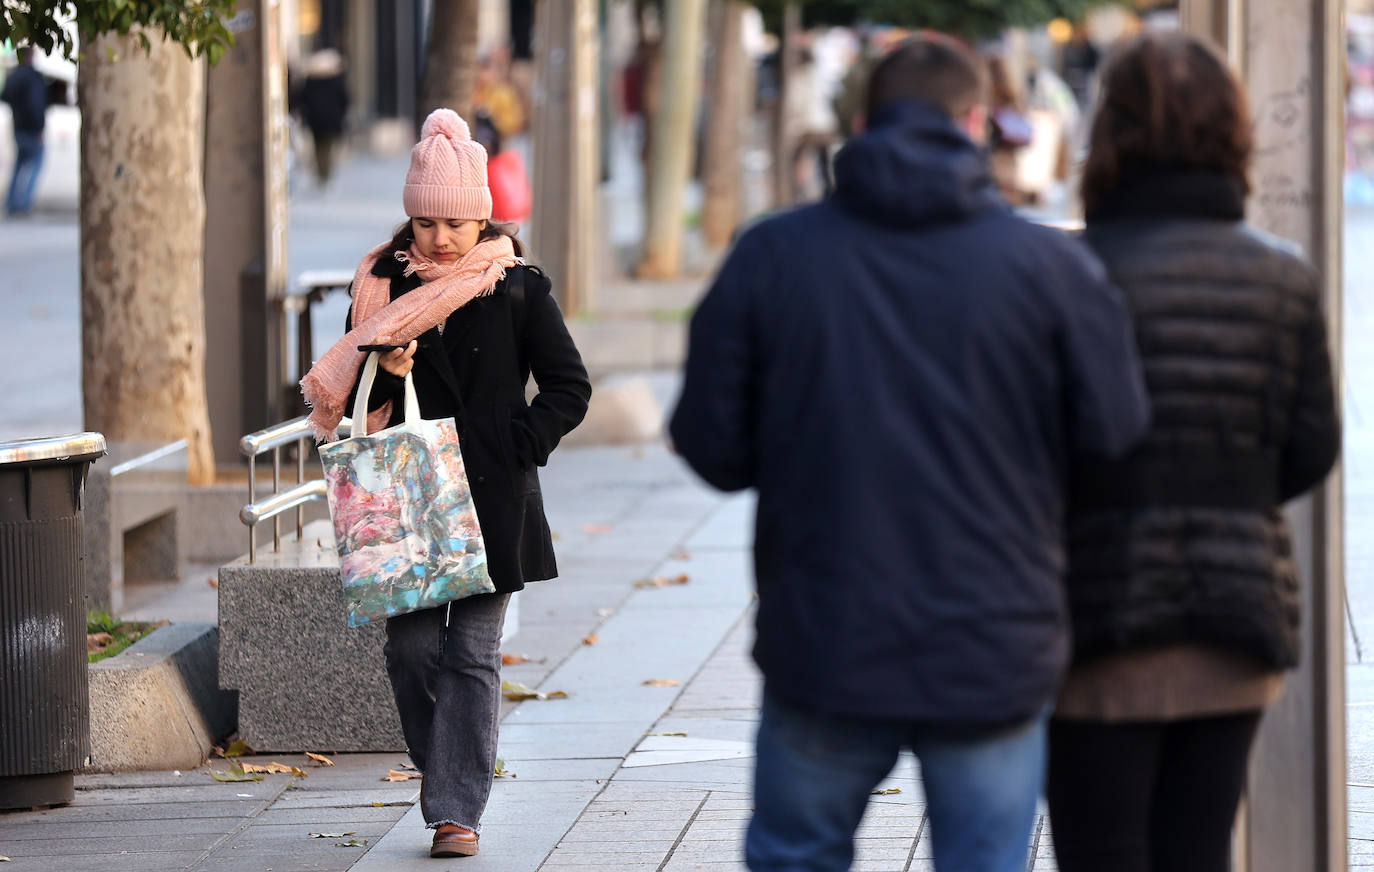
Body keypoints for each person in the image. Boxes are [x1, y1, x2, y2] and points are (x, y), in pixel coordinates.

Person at [669, 34, 1150, 872]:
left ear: (861, 124)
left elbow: (711, 445)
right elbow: (1116, 440)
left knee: (795, 857)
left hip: (825, 638)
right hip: (995, 641)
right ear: (977, 123)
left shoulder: (775, 255)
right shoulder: (1049, 269)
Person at [1047, 32, 1341, 872]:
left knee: (1100, 852)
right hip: (1236, 617)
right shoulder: (1283, 275)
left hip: (1096, 614)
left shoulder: (1066, 273)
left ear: (1109, 133)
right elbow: (1312, 447)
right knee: (1199, 850)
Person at [300, 108, 591, 858]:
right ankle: (449, 771)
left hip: (494, 493)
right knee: (413, 653)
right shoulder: (381, 286)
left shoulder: (517, 287)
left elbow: (569, 388)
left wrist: (519, 441)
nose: (440, 238)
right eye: (426, 222)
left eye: (455, 223)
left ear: (481, 217)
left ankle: (457, 810)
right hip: (409, 500)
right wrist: (384, 364)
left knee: (473, 653)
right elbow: (349, 396)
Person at [3, 46, 48, 216]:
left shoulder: (14, 76)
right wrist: (39, 127)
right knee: (36, 164)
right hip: (31, 128)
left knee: (19, 165)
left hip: (18, 127)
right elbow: (35, 104)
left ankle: (12, 202)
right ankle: (24, 203)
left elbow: (5, 96)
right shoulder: (33, 77)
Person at [299, 48, 350, 186]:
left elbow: (303, 98)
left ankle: (322, 173)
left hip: (315, 119)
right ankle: (324, 174)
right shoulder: (335, 80)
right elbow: (344, 99)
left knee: (319, 146)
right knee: (327, 146)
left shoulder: (311, 80)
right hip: (330, 119)